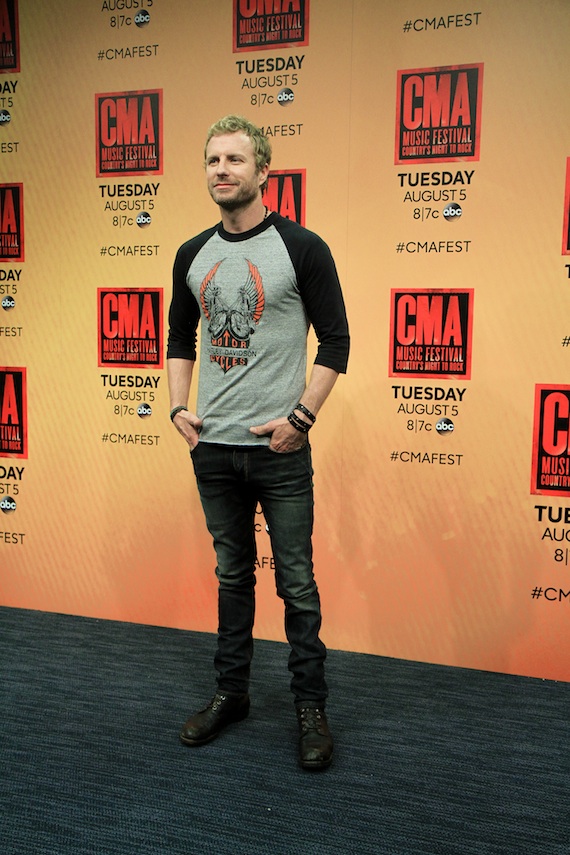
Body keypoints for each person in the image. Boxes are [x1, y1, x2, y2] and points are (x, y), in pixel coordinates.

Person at [167, 115, 349, 770]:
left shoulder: (302, 248)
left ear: (263, 171)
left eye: (235, 160)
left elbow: (337, 342)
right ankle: (231, 693)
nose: (222, 169)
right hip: (213, 449)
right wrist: (177, 408)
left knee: (295, 581)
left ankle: (310, 704)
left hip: (279, 449)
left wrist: (300, 418)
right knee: (232, 574)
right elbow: (178, 338)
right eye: (213, 159)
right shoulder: (191, 254)